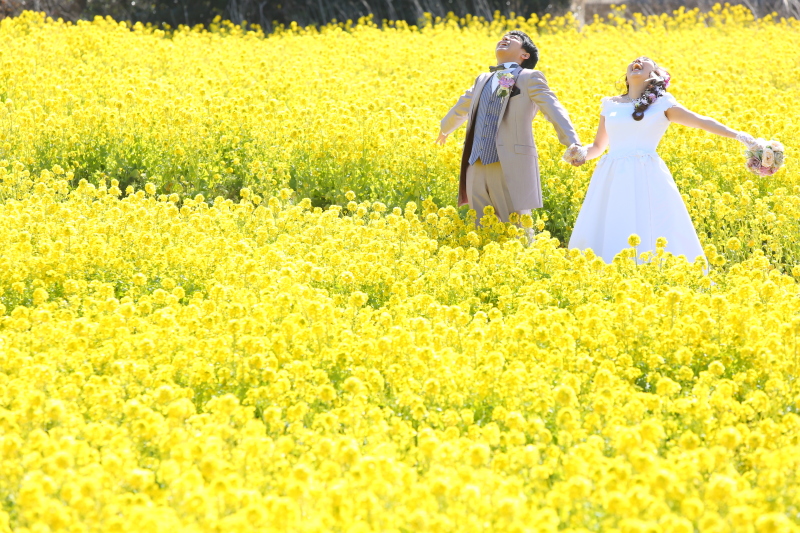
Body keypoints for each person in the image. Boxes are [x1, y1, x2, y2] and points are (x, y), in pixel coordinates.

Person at [566, 57, 755, 263]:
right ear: (627, 78)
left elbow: (701, 121)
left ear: (653, 76)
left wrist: (741, 136)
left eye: (646, 62)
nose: (638, 61)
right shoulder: (610, 105)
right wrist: (582, 153)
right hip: (611, 175)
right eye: (634, 61)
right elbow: (598, 147)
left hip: (645, 172)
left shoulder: (662, 104)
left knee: (654, 223)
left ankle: (654, 268)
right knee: (613, 220)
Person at [437, 31, 583, 229]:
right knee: (480, 227)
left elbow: (553, 109)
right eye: (503, 36)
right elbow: (462, 106)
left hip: (508, 162)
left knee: (516, 226)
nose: (505, 38)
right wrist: (445, 129)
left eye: (513, 39)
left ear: (525, 55)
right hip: (475, 162)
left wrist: (572, 142)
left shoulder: (529, 78)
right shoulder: (483, 79)